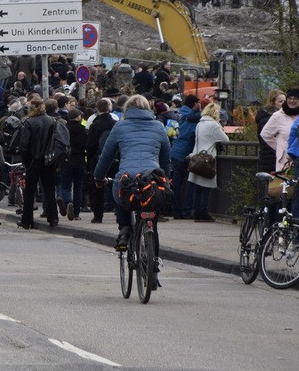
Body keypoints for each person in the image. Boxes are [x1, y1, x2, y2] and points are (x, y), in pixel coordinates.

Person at [93, 95, 171, 256]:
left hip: (127, 179)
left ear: (127, 109)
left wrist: (98, 177)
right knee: (152, 224)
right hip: (152, 181)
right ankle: (153, 266)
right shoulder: (158, 127)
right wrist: (166, 181)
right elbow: (166, 159)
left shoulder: (120, 127)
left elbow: (106, 157)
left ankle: (124, 228)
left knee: (120, 198)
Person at [17, 97, 60, 229]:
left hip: (33, 161)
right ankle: (53, 217)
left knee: (30, 191)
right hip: (48, 160)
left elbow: (24, 144)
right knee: (49, 189)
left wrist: (25, 160)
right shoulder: (52, 121)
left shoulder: (29, 122)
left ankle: (27, 220)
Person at [188, 102, 230, 222]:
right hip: (208, 160)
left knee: (198, 188)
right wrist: (221, 128)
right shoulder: (214, 125)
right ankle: (203, 213)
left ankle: (196, 212)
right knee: (206, 188)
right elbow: (225, 139)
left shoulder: (200, 124)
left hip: (197, 157)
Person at [259, 88, 299, 174]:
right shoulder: (278, 116)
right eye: (289, 98)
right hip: (286, 161)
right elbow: (265, 134)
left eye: (295, 98)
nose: (292, 101)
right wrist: (280, 149)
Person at [59, 107, 88, 220]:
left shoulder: (65, 129)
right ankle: (76, 213)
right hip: (80, 160)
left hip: (66, 160)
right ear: (78, 117)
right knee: (78, 187)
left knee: (65, 186)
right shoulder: (83, 130)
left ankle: (67, 202)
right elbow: (87, 145)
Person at [255, 89, 285, 172]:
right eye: (280, 101)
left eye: (285, 101)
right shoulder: (267, 119)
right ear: (273, 103)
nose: (284, 103)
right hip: (271, 159)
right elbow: (265, 141)